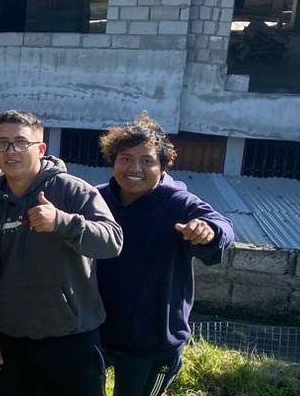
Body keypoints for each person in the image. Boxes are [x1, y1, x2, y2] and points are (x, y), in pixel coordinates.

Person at [0, 110, 123, 396]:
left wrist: (62, 222)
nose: (11, 151)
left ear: (41, 149)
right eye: (2, 143)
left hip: (72, 338)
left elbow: (112, 242)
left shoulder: (73, 191)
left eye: (21, 143)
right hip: (10, 341)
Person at [96, 114, 234, 396]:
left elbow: (223, 227)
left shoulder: (178, 203)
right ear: (113, 161)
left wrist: (208, 231)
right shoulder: (97, 199)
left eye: (147, 161)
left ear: (162, 166)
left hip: (153, 341)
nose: (135, 168)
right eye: (125, 158)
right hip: (97, 331)